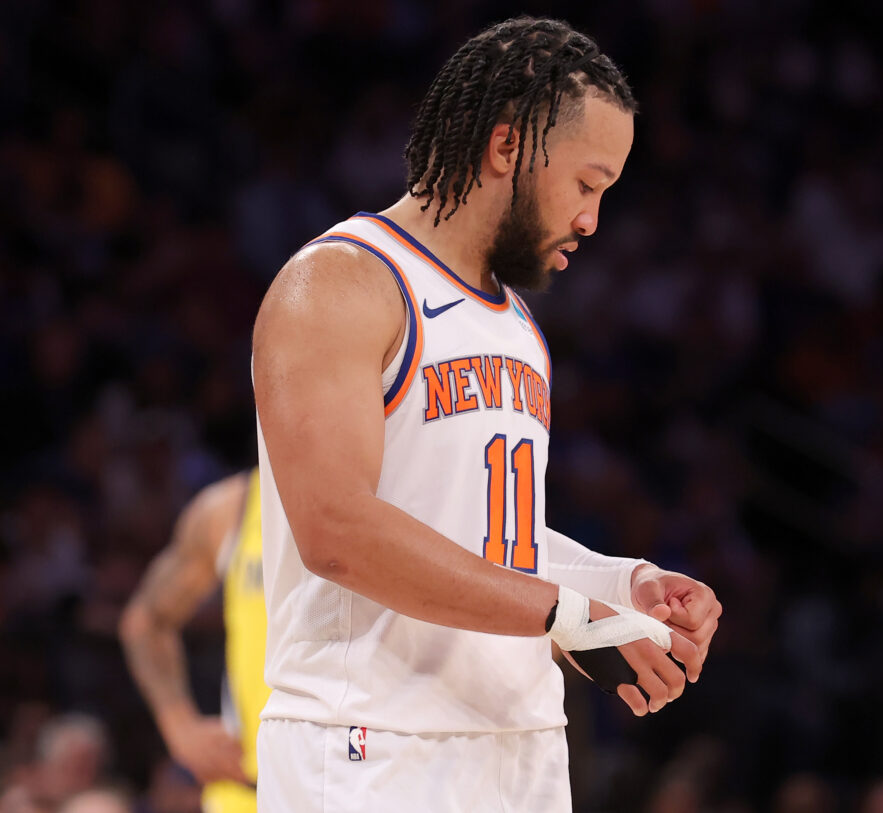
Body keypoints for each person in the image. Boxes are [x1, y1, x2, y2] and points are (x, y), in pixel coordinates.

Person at [251, 15, 722, 812]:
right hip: (370, 746)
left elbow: (491, 541)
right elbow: (335, 529)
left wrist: (621, 585)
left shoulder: (519, 328)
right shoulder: (340, 285)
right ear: (507, 148)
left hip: (521, 746)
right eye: (585, 184)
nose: (591, 221)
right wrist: (568, 613)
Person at [119, 470, 267, 813]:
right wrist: (179, 727)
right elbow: (146, 620)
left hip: (370, 776)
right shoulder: (231, 507)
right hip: (251, 791)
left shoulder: (401, 489)